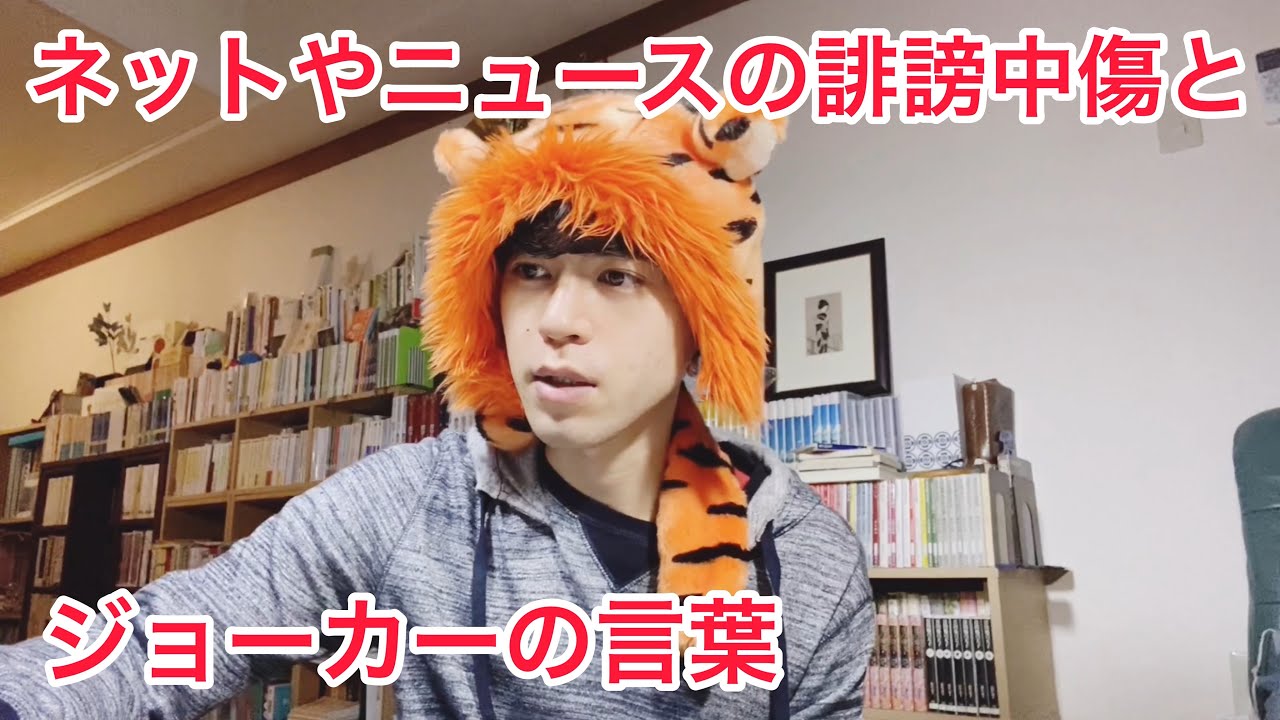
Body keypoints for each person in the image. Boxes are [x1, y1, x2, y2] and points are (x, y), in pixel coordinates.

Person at [0, 92, 873, 719]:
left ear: (701, 318)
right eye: (532, 271)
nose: (556, 321)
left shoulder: (808, 564)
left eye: (617, 276)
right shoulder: (413, 499)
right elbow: (166, 637)